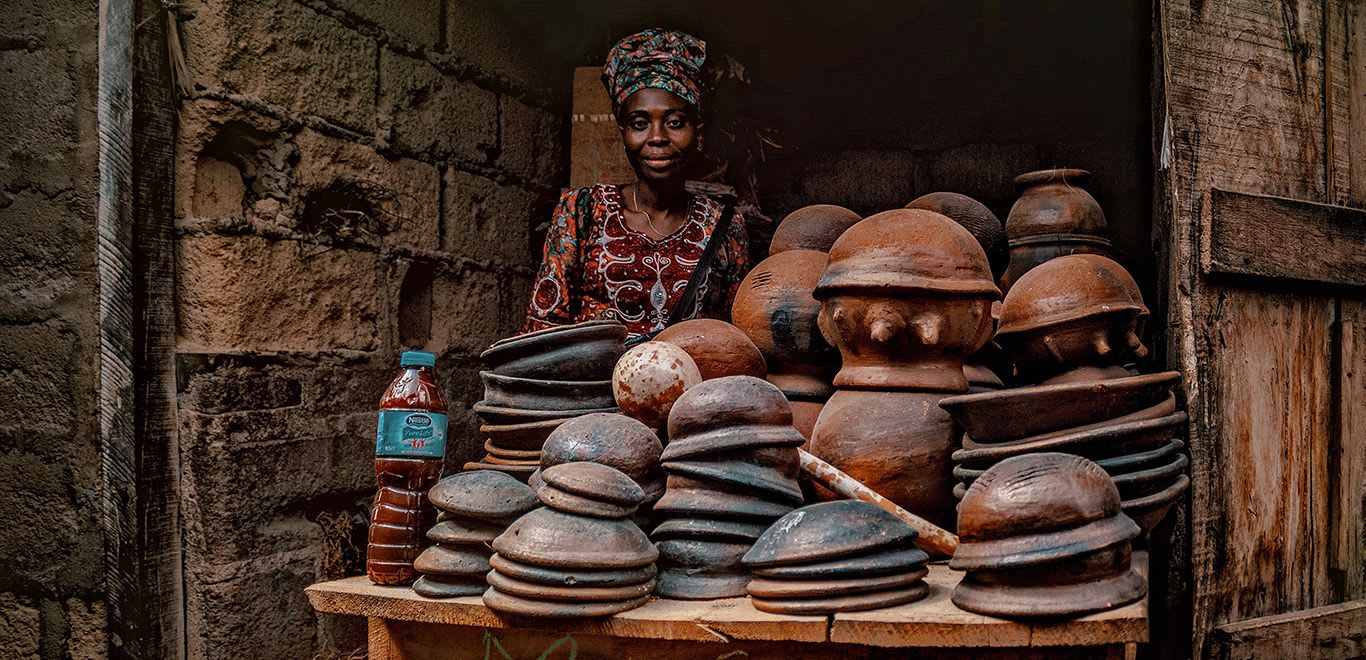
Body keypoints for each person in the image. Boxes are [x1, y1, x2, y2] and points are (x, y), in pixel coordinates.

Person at [522, 28, 750, 342]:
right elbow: (541, 330)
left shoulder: (724, 225)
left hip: (690, 388)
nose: (657, 137)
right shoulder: (582, 210)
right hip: (591, 388)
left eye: (675, 122)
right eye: (639, 124)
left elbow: (736, 339)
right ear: (623, 132)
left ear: (697, 131)